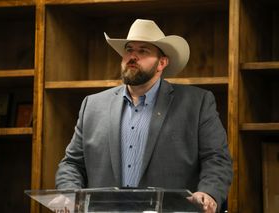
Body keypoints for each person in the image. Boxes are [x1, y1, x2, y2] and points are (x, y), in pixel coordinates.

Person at [55, 19, 233, 213]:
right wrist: (70, 195)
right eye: (129, 49)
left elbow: (216, 159)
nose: (133, 56)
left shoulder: (197, 103)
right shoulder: (92, 105)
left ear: (162, 63)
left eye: (143, 51)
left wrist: (209, 194)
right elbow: (72, 163)